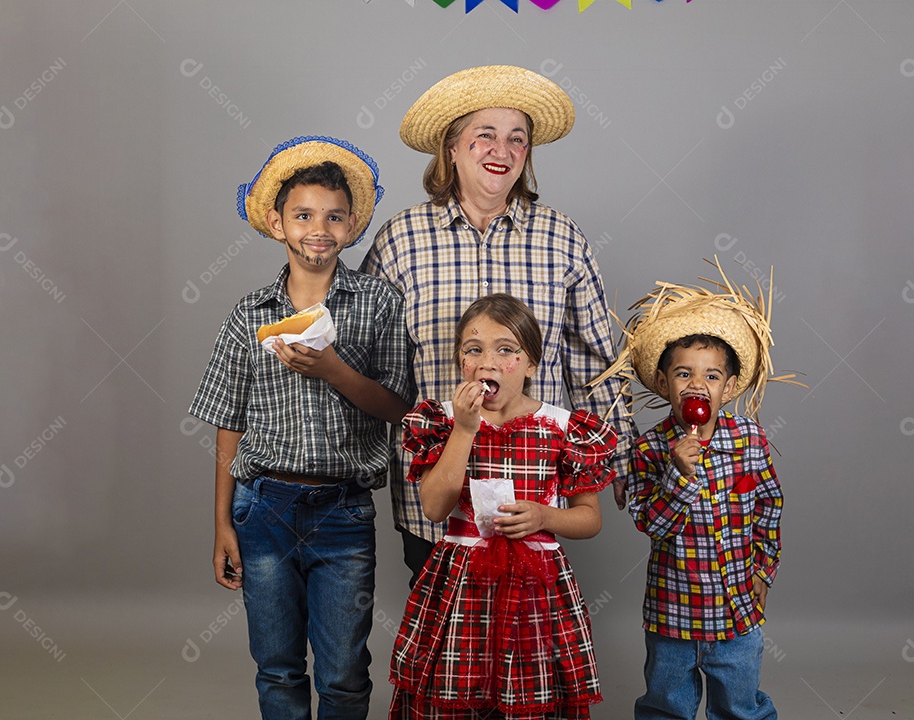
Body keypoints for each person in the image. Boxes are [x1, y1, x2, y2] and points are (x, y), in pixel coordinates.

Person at [361, 64, 636, 587]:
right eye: (484, 134)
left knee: (522, 643)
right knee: (451, 653)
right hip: (437, 498)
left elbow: (595, 357)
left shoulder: (560, 236)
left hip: (534, 492)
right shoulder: (402, 238)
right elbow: (377, 366)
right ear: (451, 148)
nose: (501, 150)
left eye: (517, 139)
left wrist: (619, 450)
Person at [188, 135, 412, 720]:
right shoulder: (250, 313)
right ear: (277, 221)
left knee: (342, 672)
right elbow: (229, 426)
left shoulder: (379, 303)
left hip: (344, 511)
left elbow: (396, 406)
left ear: (353, 225)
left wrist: (334, 369)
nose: (320, 229)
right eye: (304, 215)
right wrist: (222, 526)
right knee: (278, 668)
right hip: (262, 509)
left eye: (335, 217)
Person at [389, 293, 616, 719]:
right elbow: (435, 508)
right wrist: (464, 430)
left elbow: (590, 519)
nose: (487, 363)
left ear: (532, 364)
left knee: (529, 690)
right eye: (473, 350)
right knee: (454, 688)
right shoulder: (441, 420)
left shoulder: (563, 428)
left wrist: (545, 516)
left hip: (537, 588)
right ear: (461, 363)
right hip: (462, 582)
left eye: (506, 350)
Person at [592, 264, 795, 719]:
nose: (697, 385)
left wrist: (764, 569)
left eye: (711, 376)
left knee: (741, 708)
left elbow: (769, 506)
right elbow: (651, 524)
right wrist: (679, 474)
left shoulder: (749, 439)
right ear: (664, 384)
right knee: (666, 708)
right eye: (683, 374)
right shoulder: (649, 449)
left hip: (737, 611)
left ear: (728, 386)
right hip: (673, 616)